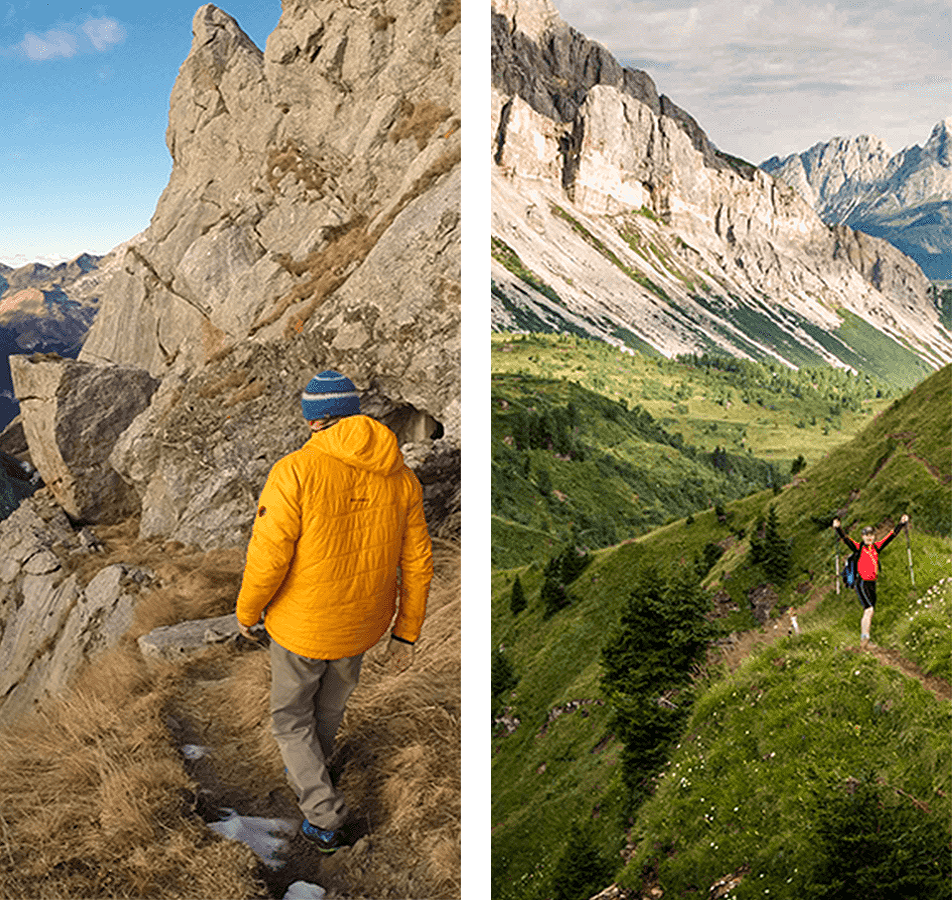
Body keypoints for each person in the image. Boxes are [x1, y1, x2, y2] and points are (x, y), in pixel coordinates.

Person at [235, 369, 433, 852]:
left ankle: (324, 816)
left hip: (301, 625)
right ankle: (315, 767)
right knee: (329, 706)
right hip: (363, 623)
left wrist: (248, 613)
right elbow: (419, 563)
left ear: (314, 421)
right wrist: (405, 634)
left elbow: (268, 557)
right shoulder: (400, 475)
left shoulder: (295, 471)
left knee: (289, 717)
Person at [832, 514, 909, 648]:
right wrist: (838, 528)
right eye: (867, 535)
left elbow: (890, 537)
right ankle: (865, 640)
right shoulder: (859, 548)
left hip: (872, 582)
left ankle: (866, 638)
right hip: (861, 582)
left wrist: (901, 524)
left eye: (871, 535)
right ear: (862, 537)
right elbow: (846, 539)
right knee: (869, 609)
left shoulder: (876, 547)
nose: (869, 537)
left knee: (869, 611)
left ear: (874, 536)